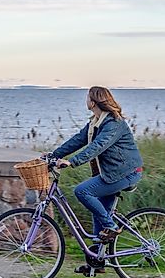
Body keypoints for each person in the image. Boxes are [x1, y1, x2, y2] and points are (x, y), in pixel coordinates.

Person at [46, 86, 143, 244]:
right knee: (98, 213)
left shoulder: (114, 123)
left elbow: (97, 146)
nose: (86, 100)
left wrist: (72, 161)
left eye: (87, 97)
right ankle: (97, 260)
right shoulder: (95, 122)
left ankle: (111, 226)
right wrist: (54, 155)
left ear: (93, 102)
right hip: (111, 173)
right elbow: (77, 140)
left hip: (126, 173)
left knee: (82, 191)